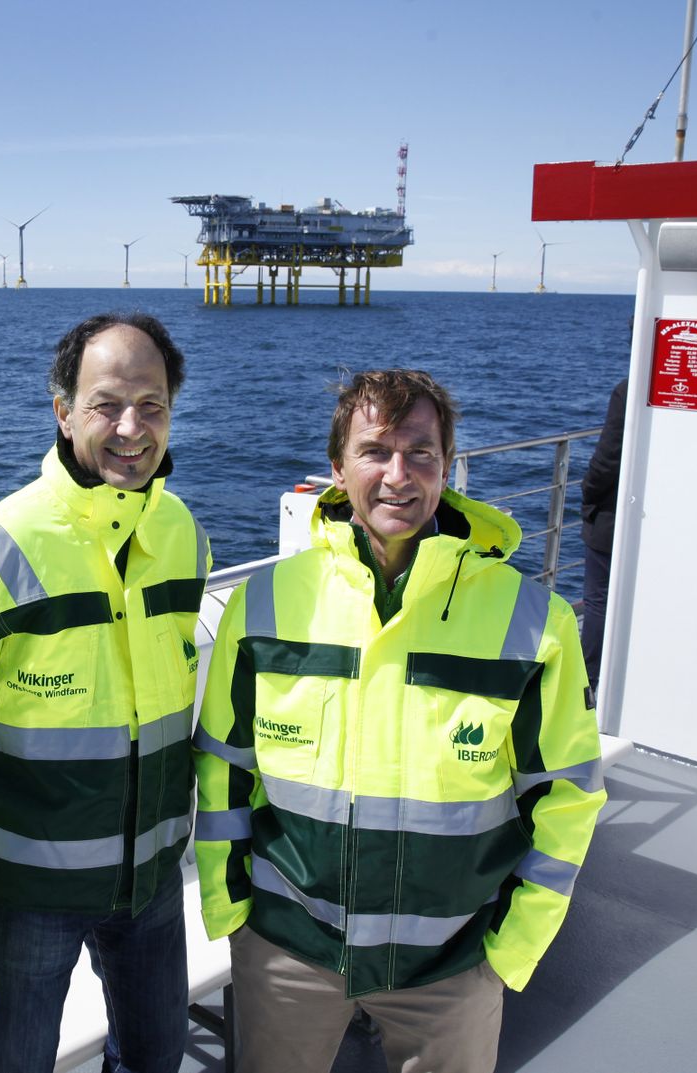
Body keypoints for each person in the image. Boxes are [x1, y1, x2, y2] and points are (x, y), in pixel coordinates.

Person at [193, 369, 606, 1073]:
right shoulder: (263, 604)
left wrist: (513, 945)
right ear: (337, 467)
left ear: (448, 468)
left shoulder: (535, 619)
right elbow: (223, 766)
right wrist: (231, 908)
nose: (398, 474)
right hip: (287, 948)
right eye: (375, 450)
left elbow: (566, 793)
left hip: (456, 963)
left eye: (421, 452)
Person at [0, 312, 210, 1073]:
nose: (131, 427)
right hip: (22, 897)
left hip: (152, 884)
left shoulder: (182, 535)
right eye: (107, 403)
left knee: (155, 1060)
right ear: (63, 410)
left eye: (153, 405)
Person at [579, 378, 628, 695]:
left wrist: (589, 492)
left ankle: (588, 680)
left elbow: (608, 457)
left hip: (613, 519)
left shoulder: (631, 389)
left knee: (598, 601)